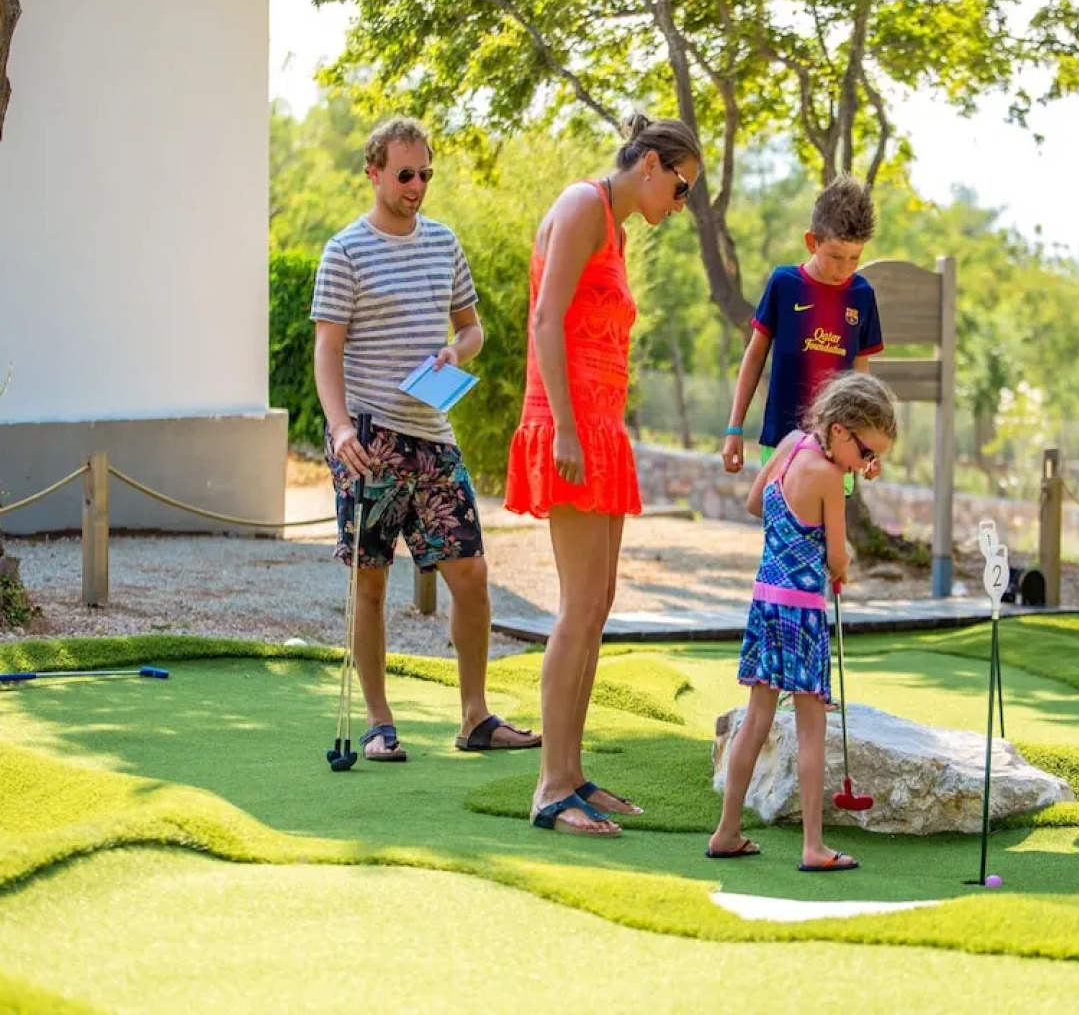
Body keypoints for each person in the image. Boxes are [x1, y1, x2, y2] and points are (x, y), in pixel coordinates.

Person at [311, 116, 538, 762]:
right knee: (371, 583)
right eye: (405, 174)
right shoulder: (344, 251)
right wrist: (340, 427)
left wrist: (456, 350)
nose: (417, 186)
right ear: (374, 172)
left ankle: (475, 717)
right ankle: (379, 723)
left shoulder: (443, 242)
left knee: (472, 574)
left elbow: (473, 329)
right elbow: (327, 350)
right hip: (370, 440)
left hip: (434, 436)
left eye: (426, 175)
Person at [505, 113, 704, 837]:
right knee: (577, 607)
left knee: (597, 606)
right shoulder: (583, 203)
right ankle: (551, 788)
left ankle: (573, 771)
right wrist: (563, 425)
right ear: (650, 164)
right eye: (681, 189)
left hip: (599, 427)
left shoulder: (613, 227)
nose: (680, 206)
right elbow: (545, 320)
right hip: (571, 427)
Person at [707, 371, 897, 871]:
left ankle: (726, 831)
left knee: (756, 720)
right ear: (839, 430)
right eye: (866, 453)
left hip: (766, 602)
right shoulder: (831, 478)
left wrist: (791, 536)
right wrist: (839, 565)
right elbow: (837, 555)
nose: (864, 466)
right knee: (812, 730)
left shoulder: (791, 446)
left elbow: (755, 503)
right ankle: (813, 846)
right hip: (803, 614)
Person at [721, 175, 884, 494]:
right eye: (835, 256)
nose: (844, 268)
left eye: (855, 258)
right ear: (812, 242)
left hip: (839, 447)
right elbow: (755, 355)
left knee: (827, 525)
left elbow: (861, 376)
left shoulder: (862, 295)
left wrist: (867, 444)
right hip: (781, 441)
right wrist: (734, 428)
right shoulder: (783, 284)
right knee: (781, 523)